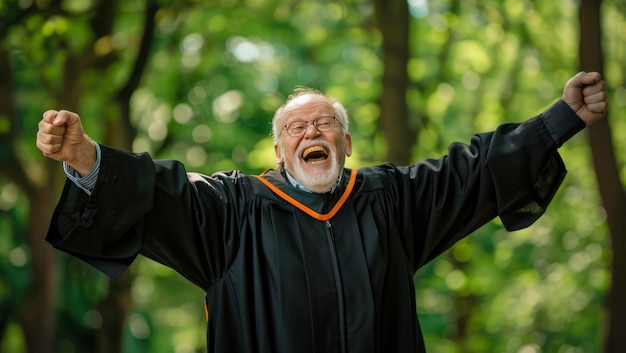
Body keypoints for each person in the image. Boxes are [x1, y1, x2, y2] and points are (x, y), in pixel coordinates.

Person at [37, 71, 607, 353]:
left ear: (347, 143)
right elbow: (156, 194)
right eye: (294, 128)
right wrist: (84, 158)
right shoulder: (233, 212)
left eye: (325, 122)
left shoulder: (392, 201)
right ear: (279, 151)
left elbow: (475, 169)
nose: (311, 131)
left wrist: (563, 118)